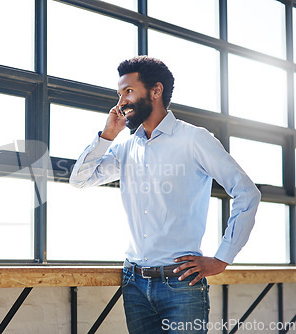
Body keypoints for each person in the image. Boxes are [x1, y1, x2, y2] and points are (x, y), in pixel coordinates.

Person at [69, 56, 261, 333]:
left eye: (129, 91)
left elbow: (246, 193)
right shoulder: (125, 149)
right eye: (119, 93)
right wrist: (107, 136)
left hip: (181, 285)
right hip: (134, 283)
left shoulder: (194, 139)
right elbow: (80, 179)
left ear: (155, 91)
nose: (121, 101)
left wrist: (222, 258)